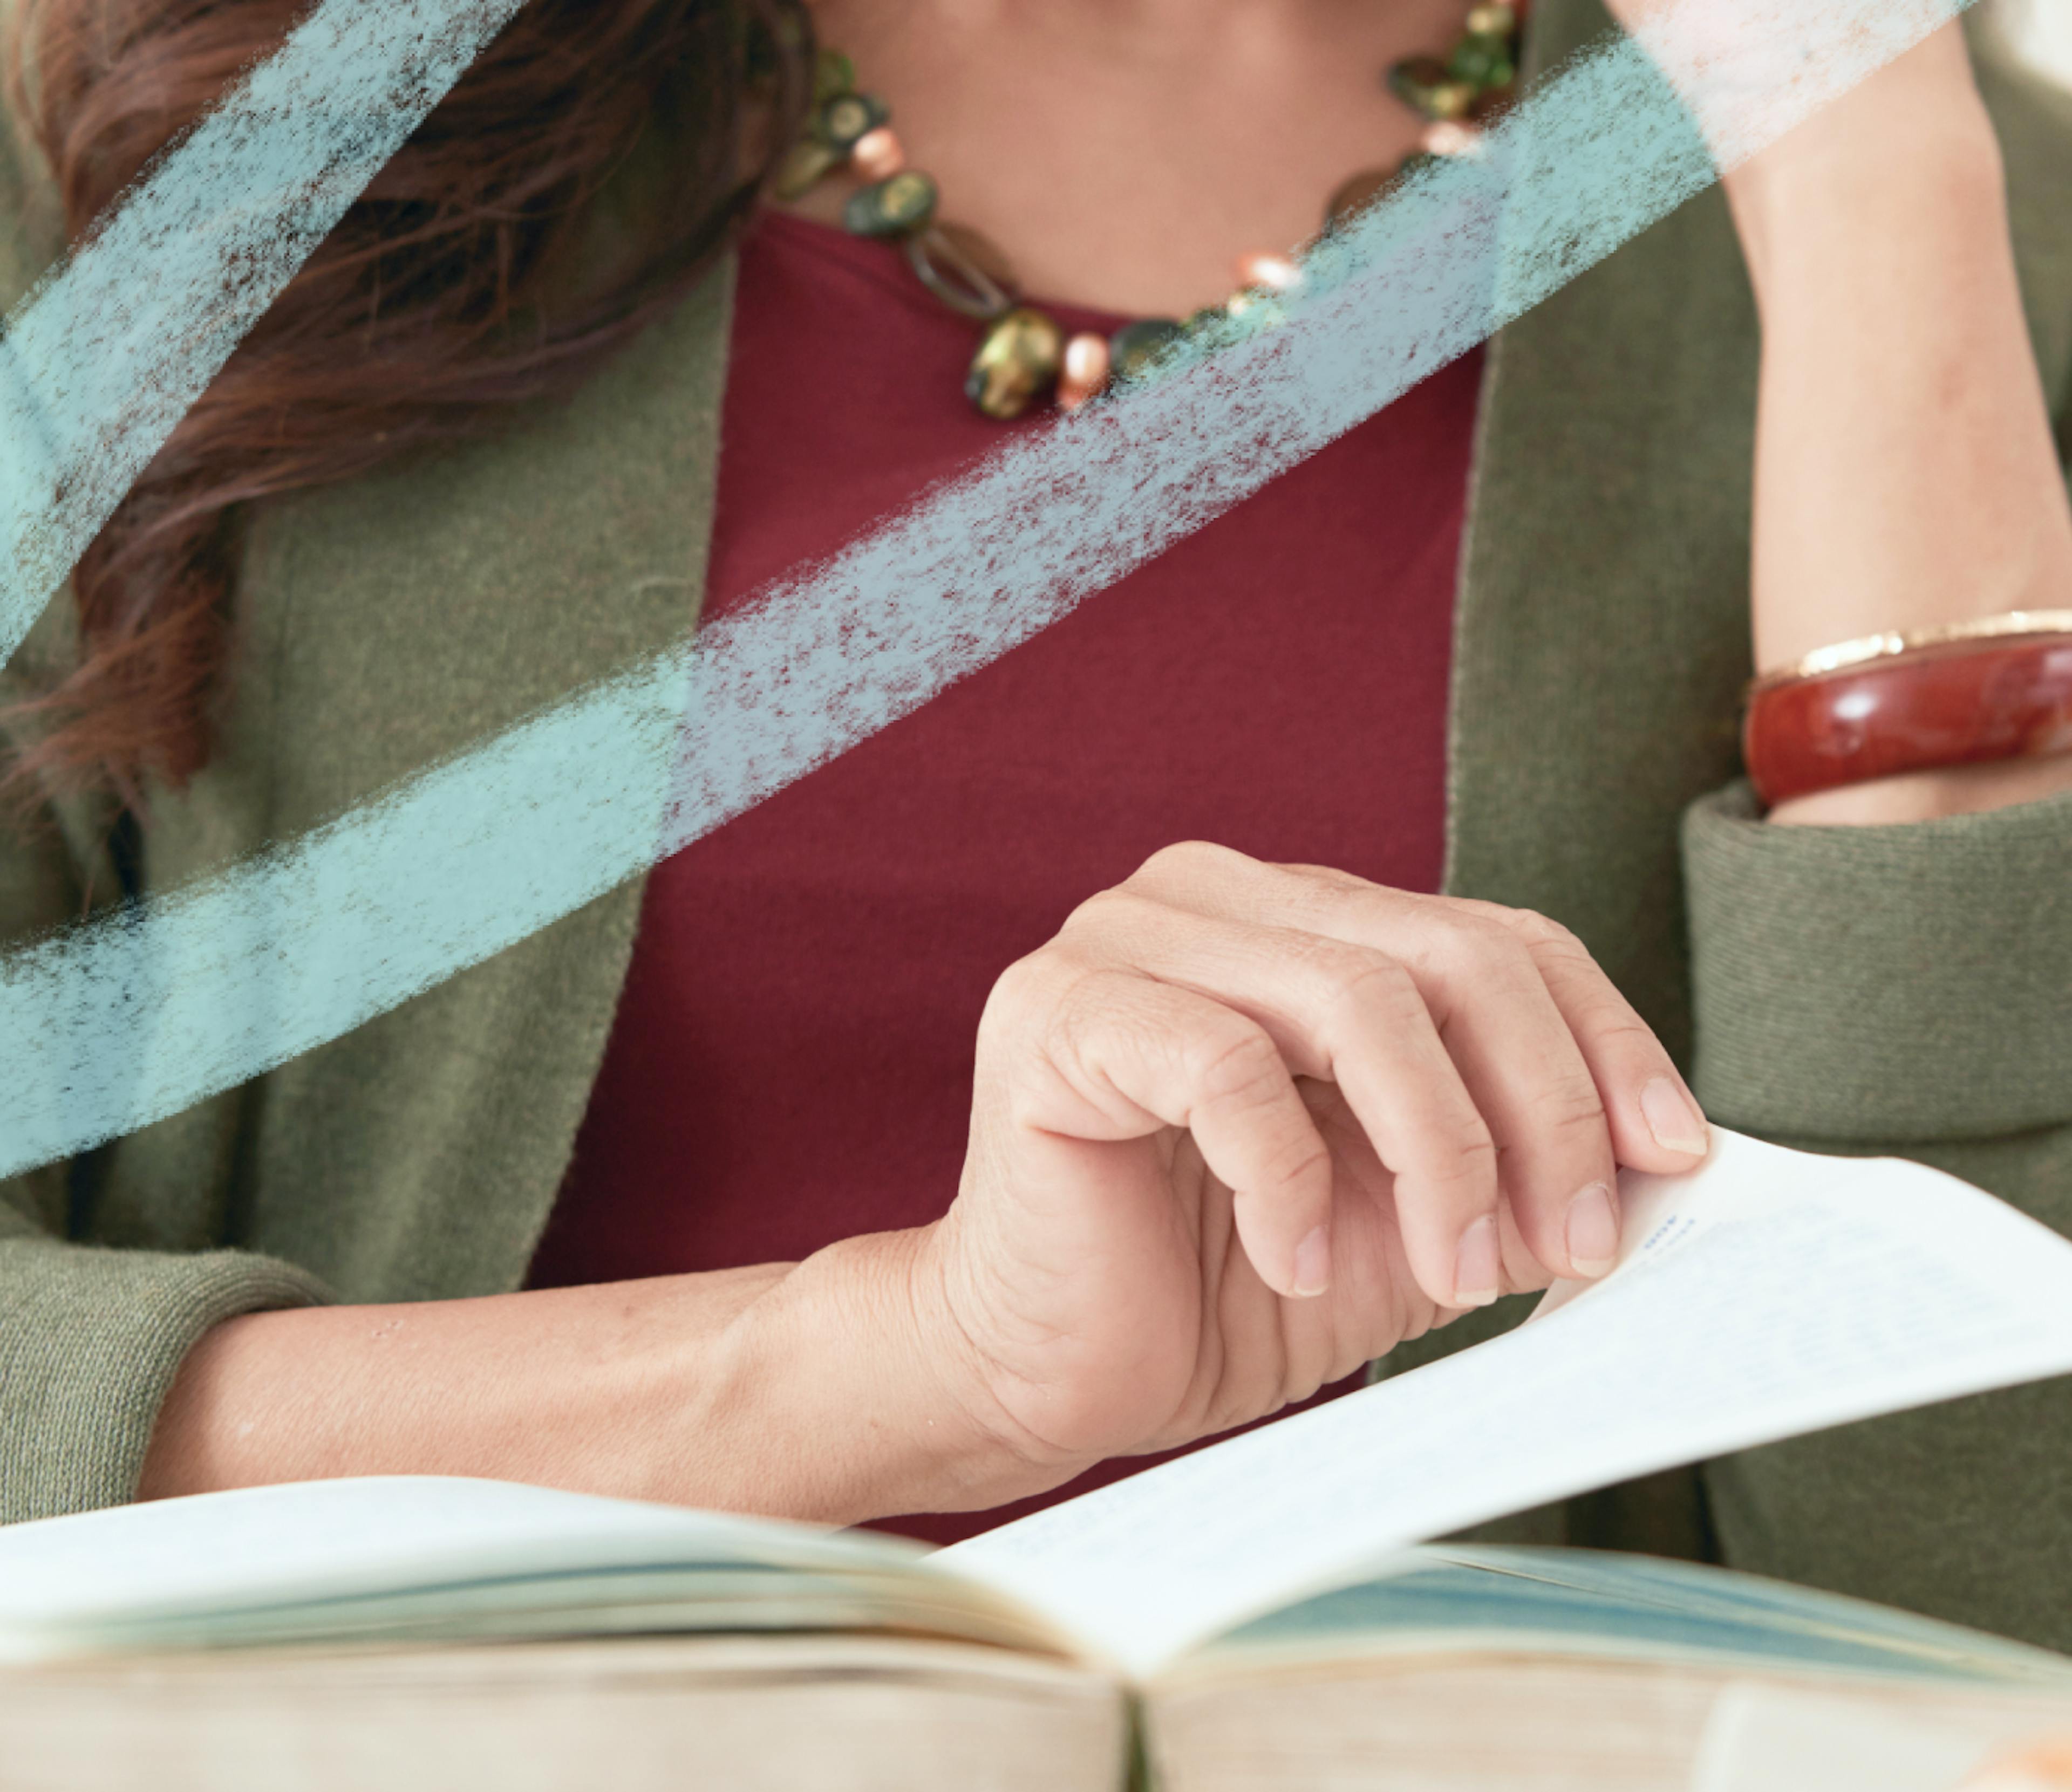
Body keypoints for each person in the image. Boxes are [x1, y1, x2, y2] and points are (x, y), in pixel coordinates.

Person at [1, 0, 2069, 1647]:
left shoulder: (1969, 245)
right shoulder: (177, 127)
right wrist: (886, 1369)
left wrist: (1870, 161)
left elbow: (1981, 1598)